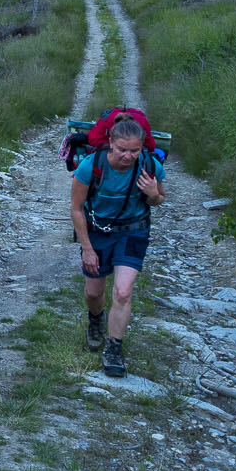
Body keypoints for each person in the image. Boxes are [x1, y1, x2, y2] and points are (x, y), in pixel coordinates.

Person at [70, 115, 166, 377]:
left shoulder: (150, 165)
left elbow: (159, 199)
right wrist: (88, 249)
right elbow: (77, 210)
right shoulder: (91, 167)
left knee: (123, 292)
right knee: (93, 293)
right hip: (98, 232)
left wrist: (152, 193)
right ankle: (95, 320)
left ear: (142, 147)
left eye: (135, 150)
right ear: (110, 143)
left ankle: (114, 349)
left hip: (134, 231)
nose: (128, 156)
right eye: (123, 150)